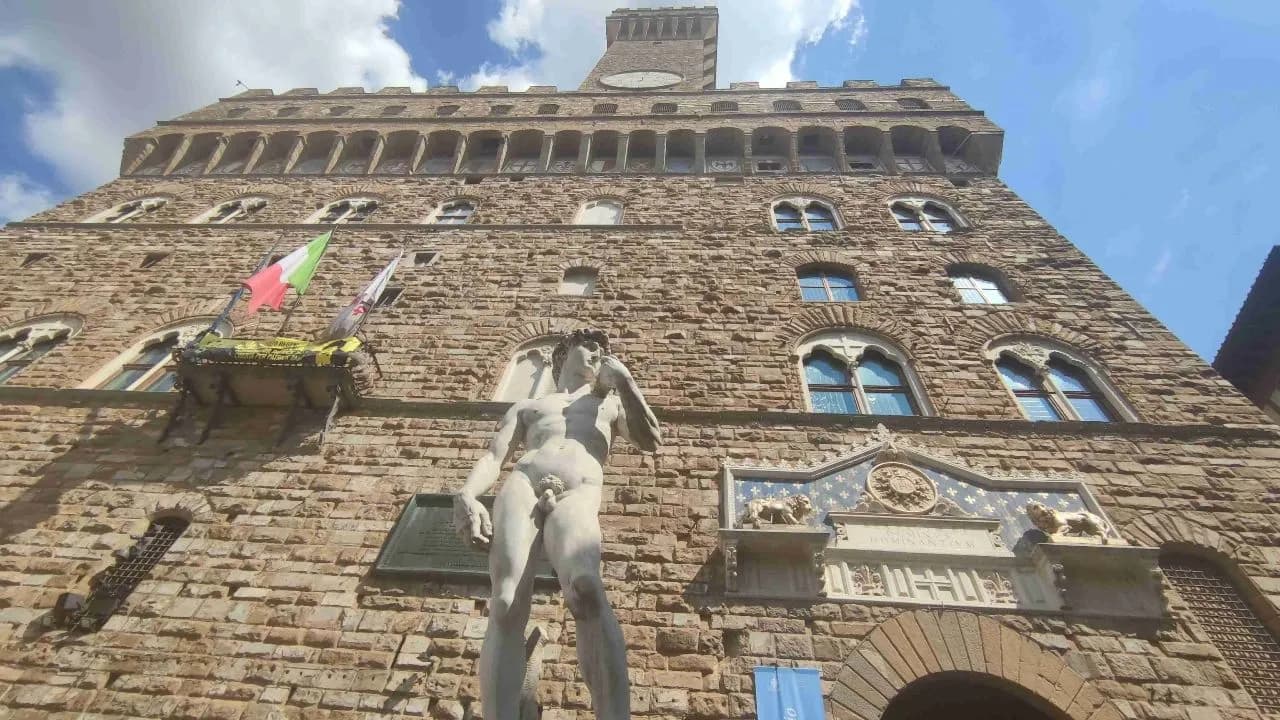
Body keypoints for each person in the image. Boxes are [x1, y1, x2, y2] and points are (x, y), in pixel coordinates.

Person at [453, 328, 661, 720]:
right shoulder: (529, 406)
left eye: (604, 351)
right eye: (591, 347)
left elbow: (650, 439)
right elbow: (494, 457)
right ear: (565, 353)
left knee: (586, 587)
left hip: (579, 488)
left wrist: (627, 382)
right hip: (524, 483)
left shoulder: (609, 403)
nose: (599, 354)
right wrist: (466, 494)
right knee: (505, 602)